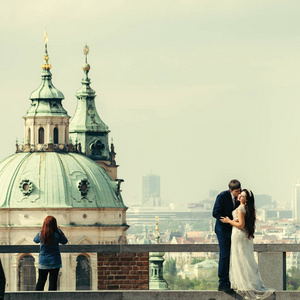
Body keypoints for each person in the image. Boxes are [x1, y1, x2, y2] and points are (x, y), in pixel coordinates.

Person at [220, 189, 274, 299]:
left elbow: (241, 225)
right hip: (242, 235)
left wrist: (228, 221)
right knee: (244, 257)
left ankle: (241, 283)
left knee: (239, 258)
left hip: (238, 234)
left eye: (243, 196)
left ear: (246, 199)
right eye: (240, 195)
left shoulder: (240, 208)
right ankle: (245, 282)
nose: (239, 196)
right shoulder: (247, 209)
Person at [212, 179, 241, 292]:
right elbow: (215, 212)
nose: (238, 193)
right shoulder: (222, 196)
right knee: (224, 255)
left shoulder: (240, 197)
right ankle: (223, 282)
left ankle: (233, 280)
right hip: (223, 229)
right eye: (236, 191)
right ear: (231, 190)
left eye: (239, 191)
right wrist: (226, 220)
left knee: (233, 255)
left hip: (234, 228)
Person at [34, 216, 68, 291]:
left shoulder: (41, 234)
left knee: (41, 282)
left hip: (43, 262)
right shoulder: (57, 234)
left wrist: (42, 230)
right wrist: (59, 230)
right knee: (53, 284)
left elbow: (35, 240)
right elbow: (65, 241)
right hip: (55, 262)